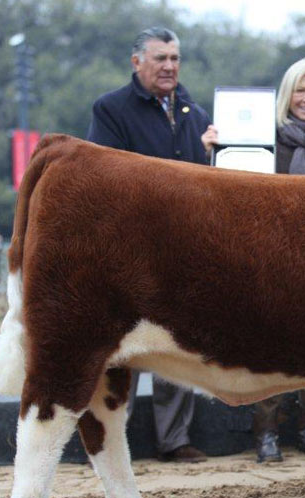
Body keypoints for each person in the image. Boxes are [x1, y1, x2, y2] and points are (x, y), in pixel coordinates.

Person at [202, 57, 305, 462]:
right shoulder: (261, 139)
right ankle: (266, 432)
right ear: (287, 94)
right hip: (271, 263)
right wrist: (215, 150)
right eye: (301, 91)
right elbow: (231, 188)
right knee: (269, 349)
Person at [87, 26, 211, 463]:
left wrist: (212, 154)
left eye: (175, 58)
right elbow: (107, 177)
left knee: (176, 343)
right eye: (160, 58)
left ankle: (174, 439)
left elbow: (206, 181)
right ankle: (111, 439)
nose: (170, 66)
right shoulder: (111, 109)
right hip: (132, 251)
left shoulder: (195, 111)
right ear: (136, 62)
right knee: (122, 345)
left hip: (184, 249)